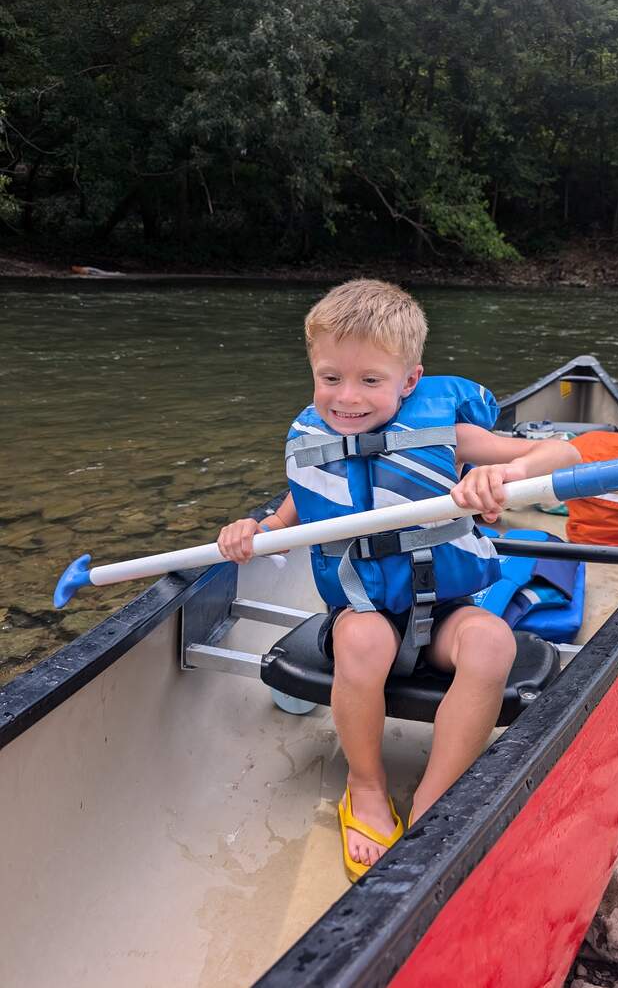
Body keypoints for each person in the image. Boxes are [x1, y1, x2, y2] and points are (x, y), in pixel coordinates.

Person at [217, 279, 579, 881]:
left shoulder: (450, 436)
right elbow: (302, 498)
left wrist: (505, 475)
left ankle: (438, 799)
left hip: (443, 611)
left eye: (370, 381)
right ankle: (365, 785)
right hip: (363, 607)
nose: (347, 399)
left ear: (410, 380)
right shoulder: (314, 438)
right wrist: (258, 526)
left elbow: (565, 456)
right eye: (330, 378)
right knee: (363, 640)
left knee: (493, 641)